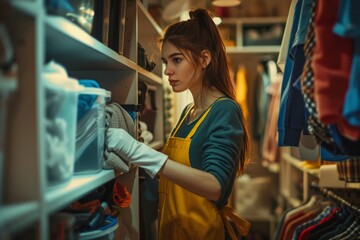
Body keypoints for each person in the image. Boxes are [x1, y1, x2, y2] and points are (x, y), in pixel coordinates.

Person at [106, 8, 251, 240]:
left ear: (204, 59)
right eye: (165, 62)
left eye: (177, 60)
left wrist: (138, 152)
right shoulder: (188, 112)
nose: (167, 71)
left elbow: (215, 185)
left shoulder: (224, 110)